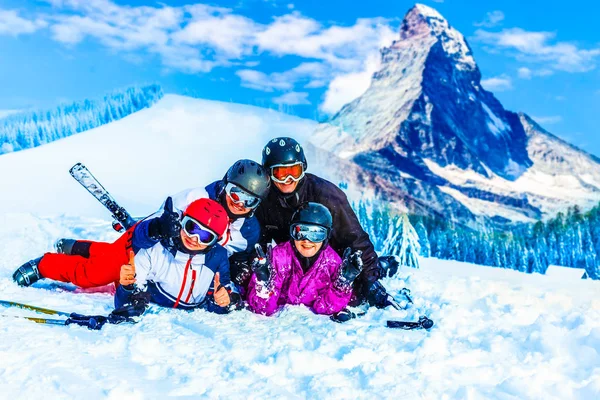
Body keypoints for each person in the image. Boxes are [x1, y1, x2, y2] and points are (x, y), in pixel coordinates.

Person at [13, 159, 270, 294]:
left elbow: (234, 257)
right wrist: (160, 229)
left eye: (249, 200)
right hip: (145, 245)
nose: (239, 203)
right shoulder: (193, 199)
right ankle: (45, 264)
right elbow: (143, 236)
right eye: (236, 193)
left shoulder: (247, 231)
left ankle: (76, 247)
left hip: (174, 267)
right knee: (95, 276)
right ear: (225, 185)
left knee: (109, 260)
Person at [254, 137, 399, 308]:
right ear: (268, 174)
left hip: (331, 257)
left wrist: (370, 280)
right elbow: (258, 242)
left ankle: (380, 267)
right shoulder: (265, 201)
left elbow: (354, 238)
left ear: (303, 168)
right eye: (280, 173)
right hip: (294, 260)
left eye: (294, 171)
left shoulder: (326, 195)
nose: (288, 180)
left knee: (353, 296)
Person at [115, 198, 232, 313]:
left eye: (205, 237)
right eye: (191, 228)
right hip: (157, 312)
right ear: (182, 221)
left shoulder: (217, 256)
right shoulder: (155, 249)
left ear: (214, 242)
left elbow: (223, 298)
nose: (194, 239)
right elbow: (125, 306)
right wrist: (127, 288)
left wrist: (223, 301)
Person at [247, 202, 363, 316]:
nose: (307, 240)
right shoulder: (278, 258)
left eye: (316, 234)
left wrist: (342, 284)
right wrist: (264, 284)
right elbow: (262, 308)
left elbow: (325, 308)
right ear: (292, 234)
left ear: (326, 237)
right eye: (300, 232)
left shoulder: (332, 263)